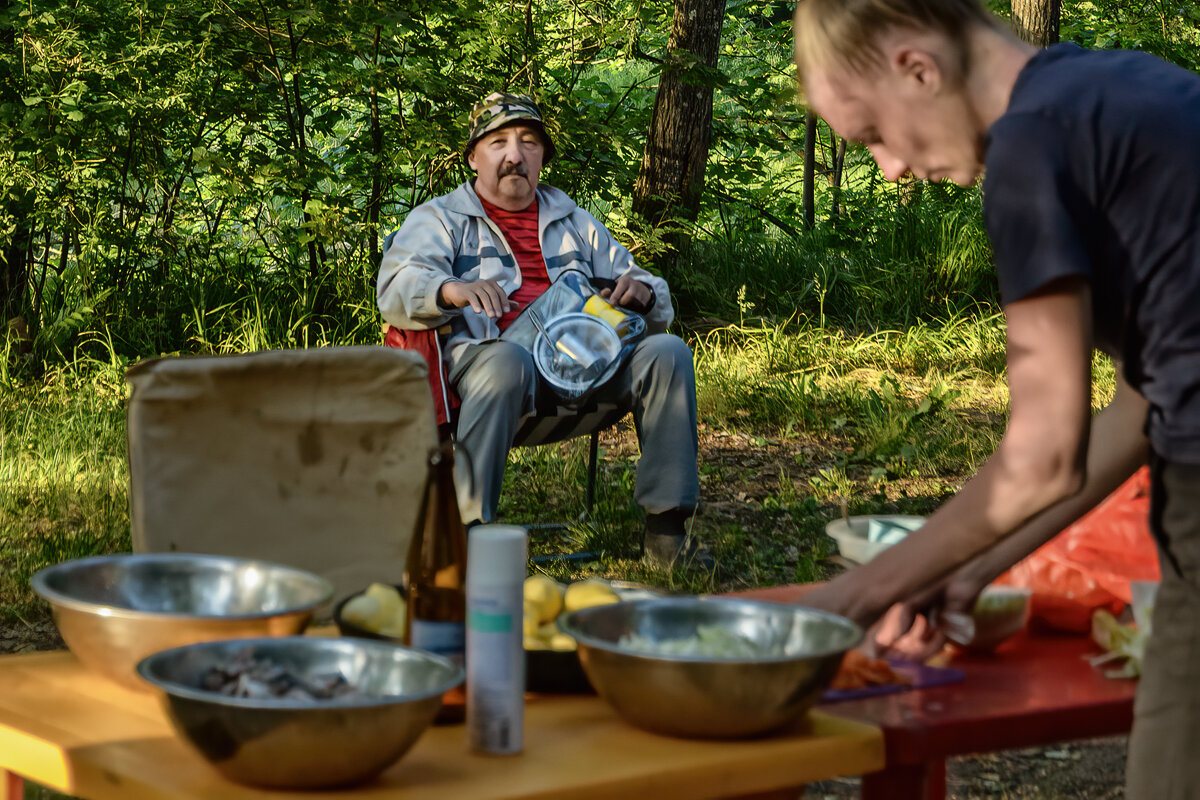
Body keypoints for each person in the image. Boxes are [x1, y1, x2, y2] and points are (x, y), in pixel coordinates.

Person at [790, 0, 1200, 795]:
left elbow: (1043, 455)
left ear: (918, 67)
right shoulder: (1121, 91)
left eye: (872, 134)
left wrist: (850, 596)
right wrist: (969, 566)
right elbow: (1143, 410)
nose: (890, 168)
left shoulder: (1029, 147)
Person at [377, 92, 707, 568]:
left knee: (668, 352)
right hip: (492, 362)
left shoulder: (574, 220)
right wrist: (451, 289)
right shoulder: (440, 219)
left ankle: (667, 533)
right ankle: (465, 535)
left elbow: (649, 290)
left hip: (586, 364)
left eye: (529, 142)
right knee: (506, 362)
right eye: (499, 143)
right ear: (473, 156)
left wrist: (645, 293)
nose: (515, 155)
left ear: (542, 157)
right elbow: (395, 288)